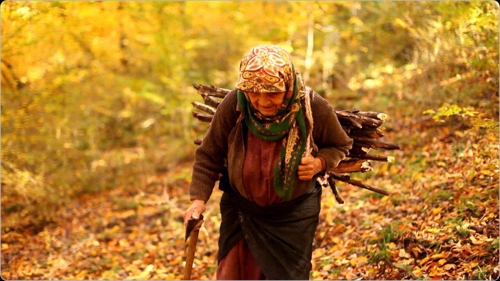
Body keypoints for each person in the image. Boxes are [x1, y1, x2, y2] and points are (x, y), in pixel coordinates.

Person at [183, 44, 353, 280]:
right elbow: (208, 153)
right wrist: (198, 201)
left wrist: (320, 163)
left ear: (288, 85)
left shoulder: (311, 106)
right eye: (254, 92)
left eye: (272, 92)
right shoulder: (235, 104)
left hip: (292, 216)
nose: (263, 101)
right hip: (242, 210)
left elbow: (341, 144)